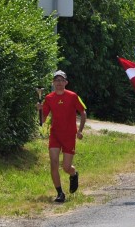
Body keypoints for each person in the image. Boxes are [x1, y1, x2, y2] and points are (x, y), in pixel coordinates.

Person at [40, 70, 87, 203]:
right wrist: (39, 110)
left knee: (66, 167)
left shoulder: (73, 96)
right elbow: (42, 120)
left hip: (69, 135)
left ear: (66, 82)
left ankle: (73, 174)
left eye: (61, 80)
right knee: (53, 164)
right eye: (56, 80)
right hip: (55, 135)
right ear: (53, 83)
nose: (59, 83)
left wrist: (80, 130)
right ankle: (60, 193)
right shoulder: (48, 98)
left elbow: (83, 112)